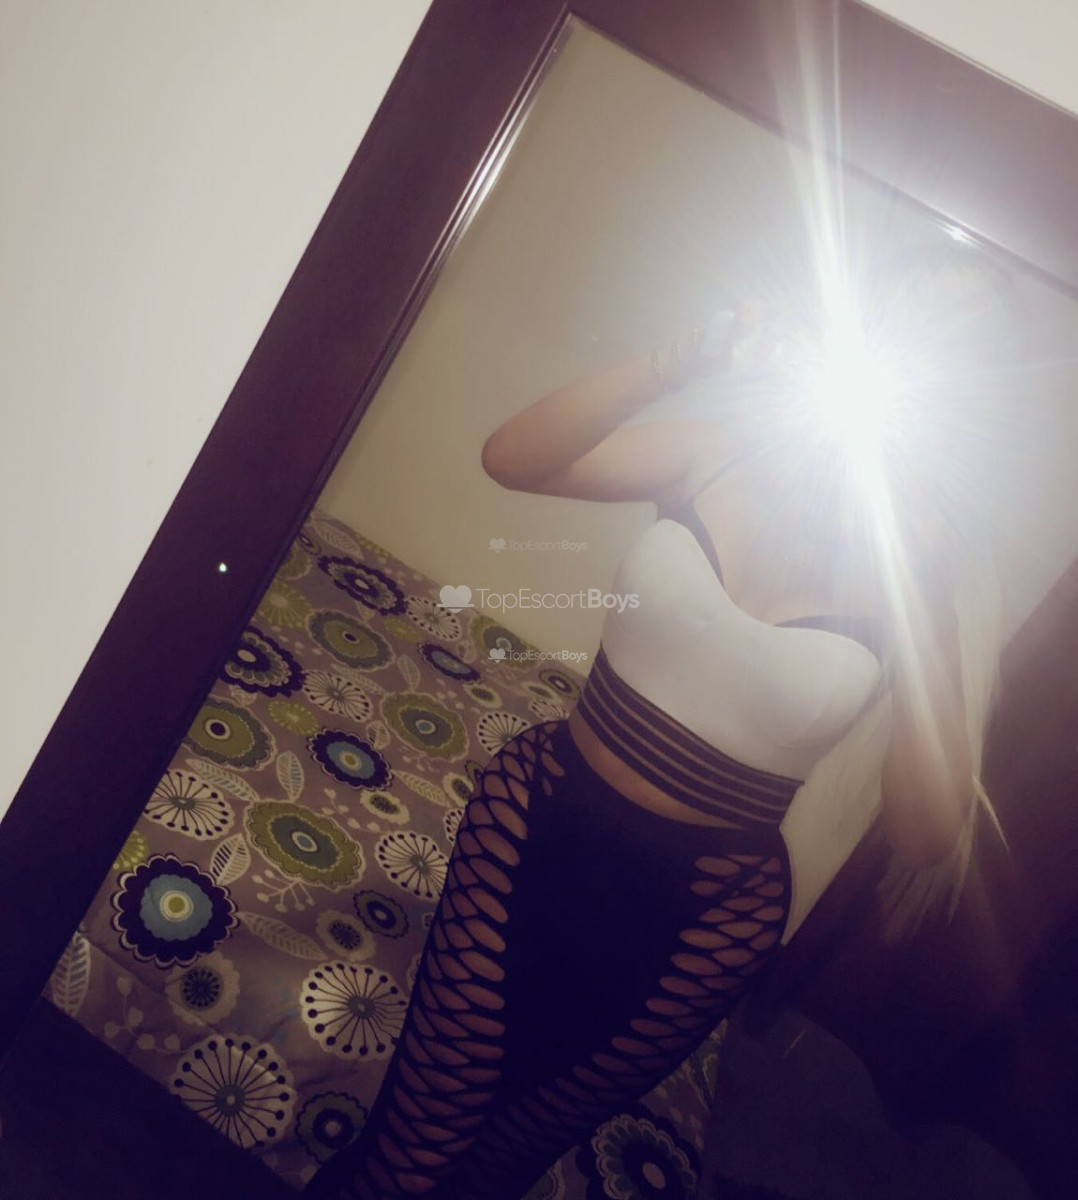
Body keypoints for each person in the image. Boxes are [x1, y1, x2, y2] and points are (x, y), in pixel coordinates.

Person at [306, 245, 1015, 1199]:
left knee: (501, 1160)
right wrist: (680, 360)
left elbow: (926, 833)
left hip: (706, 916)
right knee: (413, 1145)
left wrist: (920, 586)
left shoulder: (922, 576)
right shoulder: (718, 448)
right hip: (535, 822)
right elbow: (512, 458)